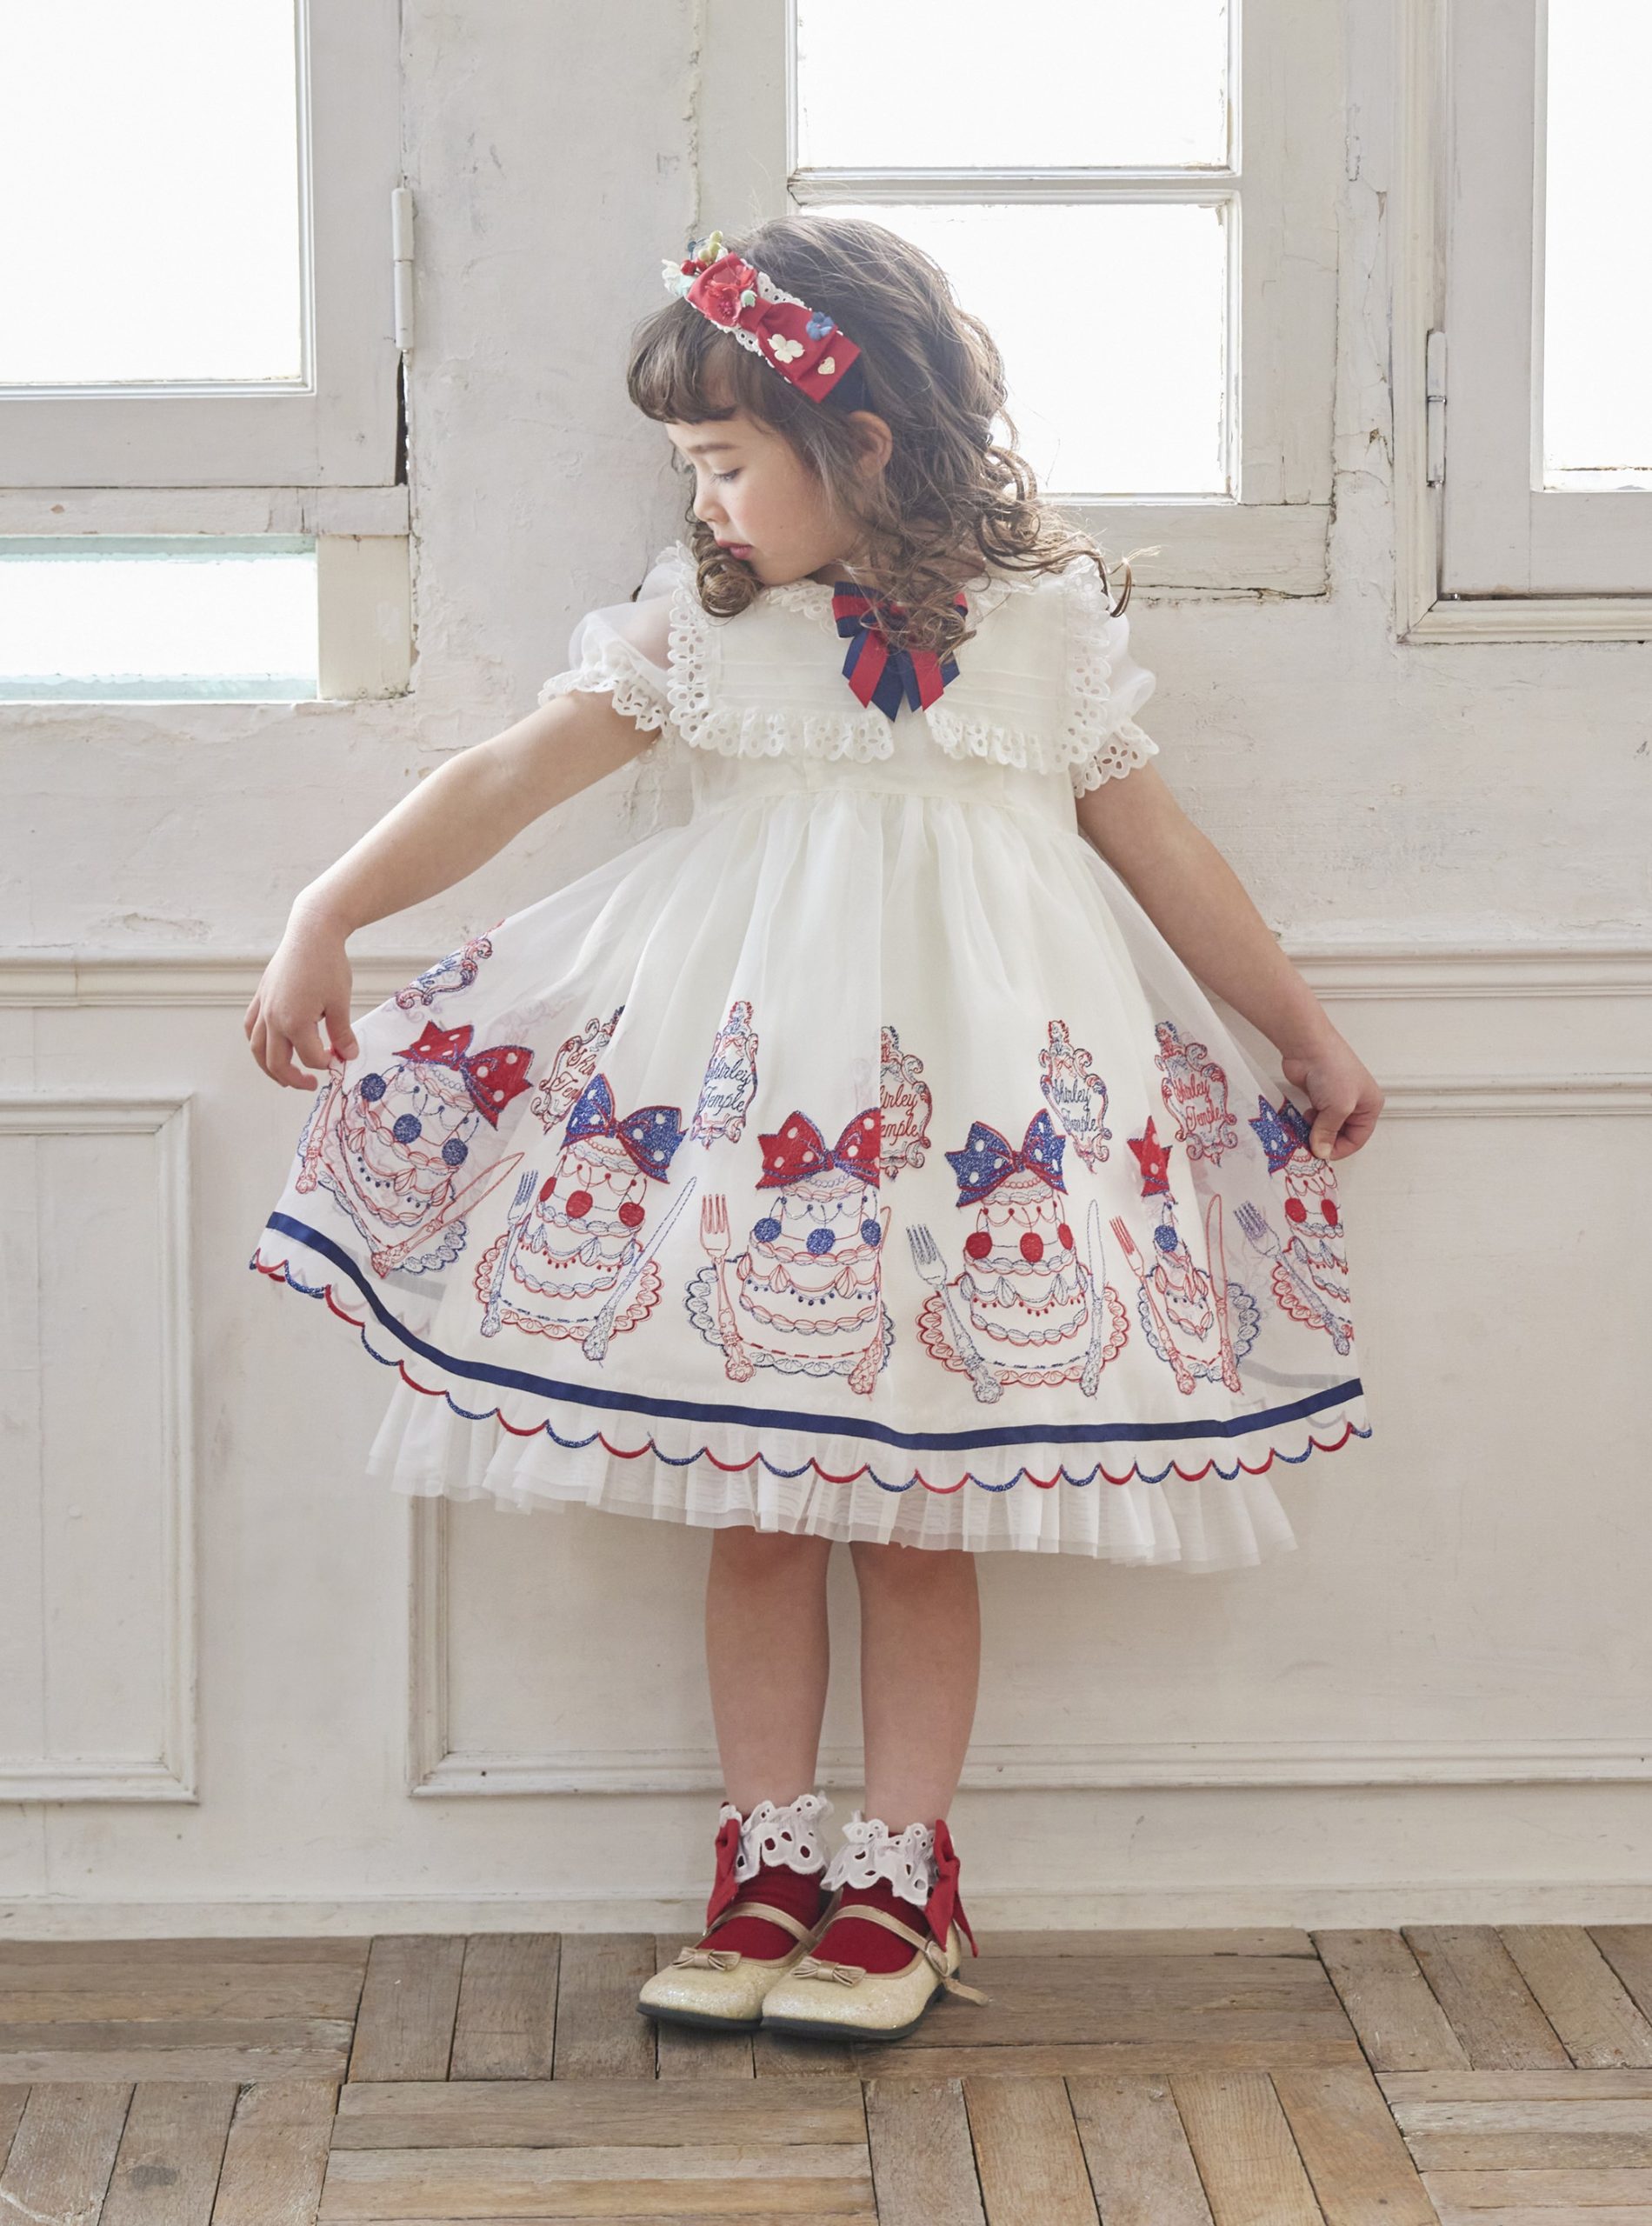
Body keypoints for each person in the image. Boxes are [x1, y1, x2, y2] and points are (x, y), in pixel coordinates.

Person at [245, 214, 1383, 2044]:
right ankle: (764, 1857)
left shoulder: (1041, 631)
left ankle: (902, 1866)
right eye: (687, 469)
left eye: (721, 462)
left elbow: (1162, 849)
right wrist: (328, 908)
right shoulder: (699, 628)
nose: (701, 502)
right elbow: (506, 775)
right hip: (754, 1135)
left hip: (985, 1137)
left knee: (922, 1518)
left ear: (857, 441)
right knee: (759, 1508)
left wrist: (1301, 1028)